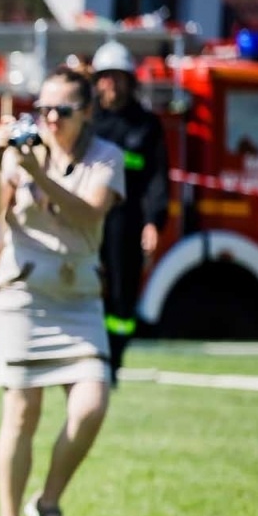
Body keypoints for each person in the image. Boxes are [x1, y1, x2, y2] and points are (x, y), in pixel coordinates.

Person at [0, 68, 125, 516]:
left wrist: (39, 177)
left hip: (78, 299)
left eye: (61, 110)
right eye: (43, 110)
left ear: (86, 113)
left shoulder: (106, 158)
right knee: (22, 410)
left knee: (91, 405)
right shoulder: (22, 151)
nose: (50, 119)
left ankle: (49, 501)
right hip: (23, 296)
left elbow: (89, 212)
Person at [89, 40, 169, 379]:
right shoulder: (87, 120)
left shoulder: (146, 126)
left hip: (127, 220)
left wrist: (153, 222)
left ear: (130, 81)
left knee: (123, 294)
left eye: (118, 77)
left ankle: (115, 359)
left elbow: (157, 180)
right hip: (89, 217)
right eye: (105, 77)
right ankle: (88, 356)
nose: (111, 84)